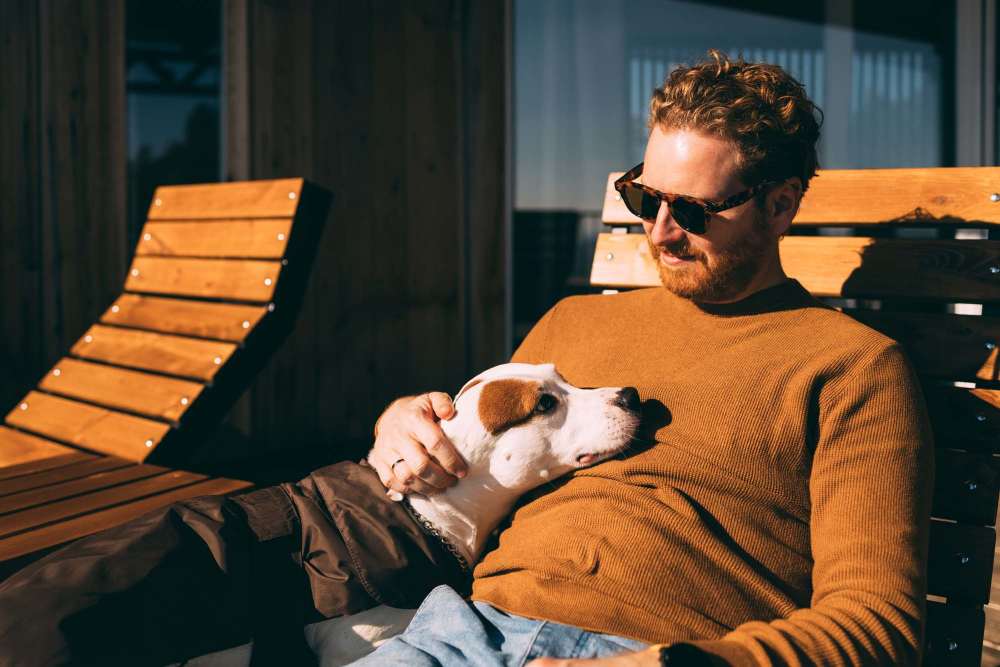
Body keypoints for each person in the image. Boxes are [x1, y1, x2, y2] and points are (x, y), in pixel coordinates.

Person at [360, 50, 933, 666]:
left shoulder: (851, 367)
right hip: (459, 633)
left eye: (691, 211)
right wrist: (399, 424)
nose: (658, 232)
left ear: (779, 206)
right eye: (643, 197)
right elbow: (469, 458)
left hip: (655, 652)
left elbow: (876, 626)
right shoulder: (571, 321)